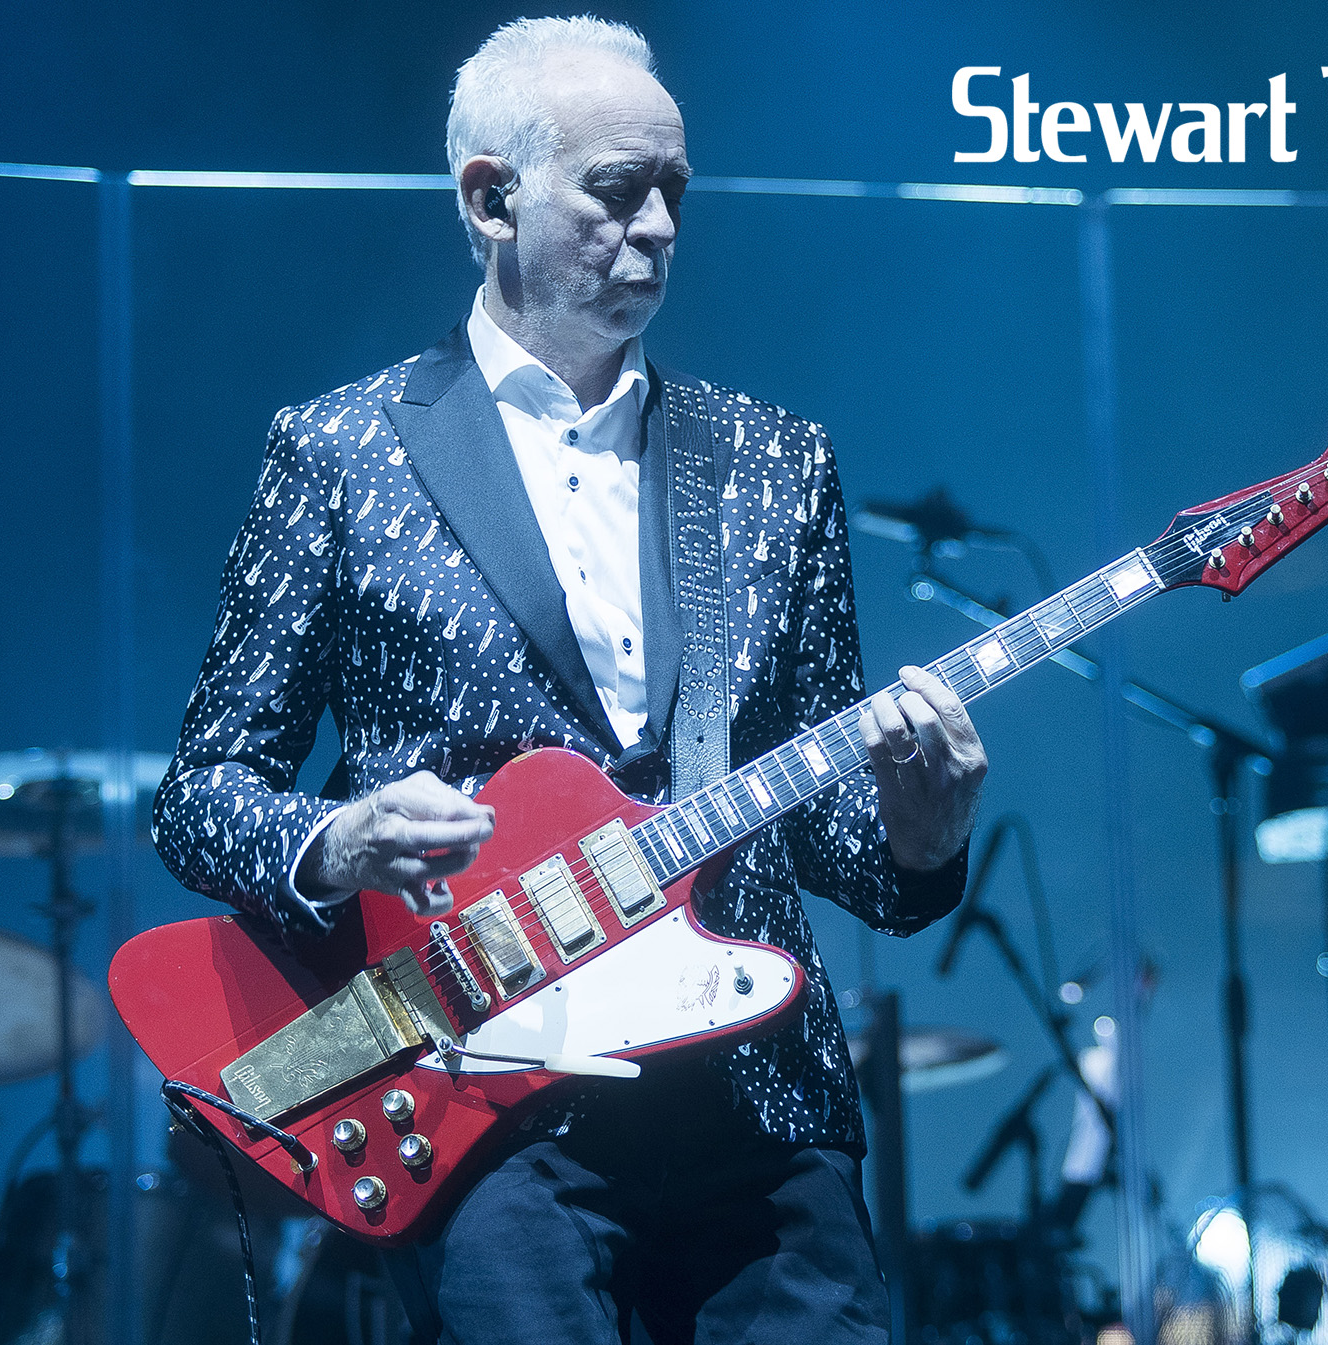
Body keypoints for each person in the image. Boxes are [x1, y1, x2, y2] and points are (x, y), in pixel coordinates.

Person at [151, 16, 988, 1342]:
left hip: (753, 1094)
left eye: (675, 191)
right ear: (491, 199)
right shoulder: (342, 451)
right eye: (616, 189)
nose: (657, 226)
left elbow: (830, 836)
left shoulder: (774, 460)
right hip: (487, 1091)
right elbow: (201, 793)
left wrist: (919, 836)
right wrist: (338, 840)